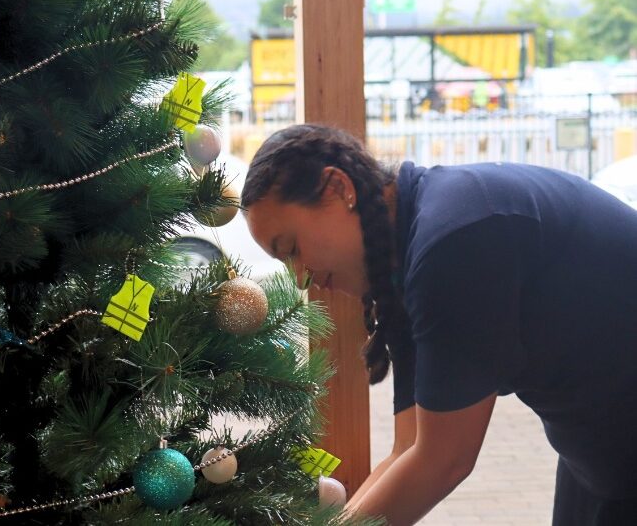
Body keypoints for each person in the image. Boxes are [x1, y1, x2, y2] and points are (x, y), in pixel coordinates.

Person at [241, 124, 637, 525]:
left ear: (338, 188)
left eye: (291, 249)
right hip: (599, 458)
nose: (300, 278)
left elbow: (443, 460)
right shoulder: (406, 253)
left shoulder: (454, 241)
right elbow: (408, 448)